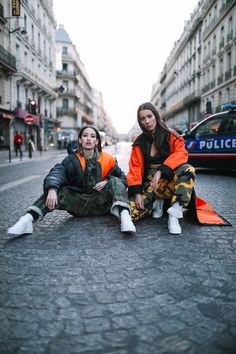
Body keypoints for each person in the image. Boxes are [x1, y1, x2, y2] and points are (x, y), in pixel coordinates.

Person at [7, 126, 136, 236]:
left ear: (97, 141)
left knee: (115, 181)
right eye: (85, 135)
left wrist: (107, 181)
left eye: (92, 136)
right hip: (78, 204)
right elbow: (58, 172)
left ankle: (125, 217)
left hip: (102, 204)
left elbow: (123, 179)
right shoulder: (72, 159)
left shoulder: (108, 159)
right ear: (80, 140)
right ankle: (27, 220)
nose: (89, 138)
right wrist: (52, 189)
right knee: (58, 190)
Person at [126, 102, 196, 235]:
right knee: (132, 213)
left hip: (169, 181)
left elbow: (181, 154)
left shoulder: (171, 135)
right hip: (150, 185)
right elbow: (134, 168)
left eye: (149, 116)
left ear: (156, 116)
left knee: (188, 170)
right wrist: (137, 194)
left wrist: (161, 170)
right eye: (142, 119)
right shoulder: (138, 143)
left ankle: (174, 214)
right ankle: (158, 203)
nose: (147, 121)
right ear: (140, 122)